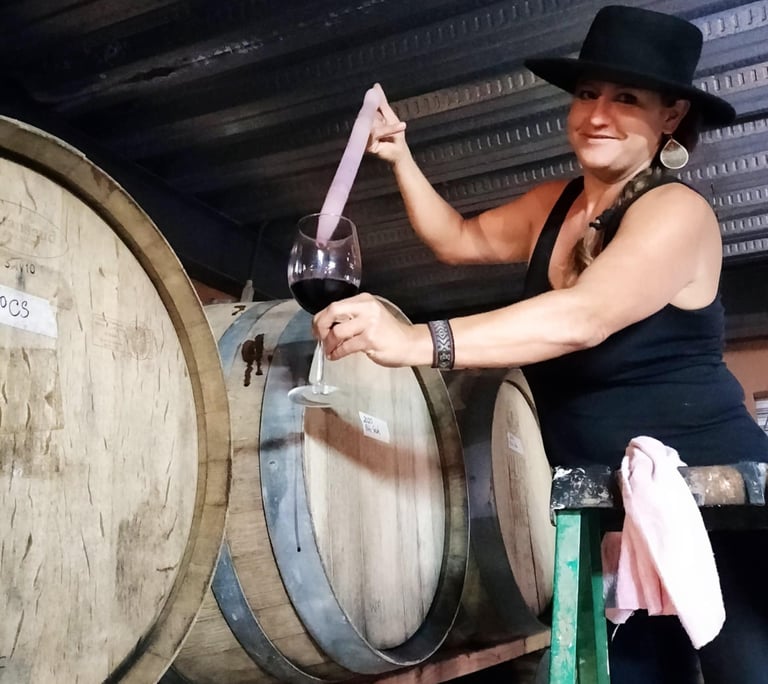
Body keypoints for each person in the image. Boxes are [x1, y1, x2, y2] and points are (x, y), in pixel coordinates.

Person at [313, 5, 768, 683]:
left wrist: (415, 340)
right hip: (608, 505)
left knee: (749, 673)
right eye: (587, 94)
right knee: (640, 676)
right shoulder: (553, 205)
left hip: (716, 500)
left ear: (670, 117)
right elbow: (456, 239)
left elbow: (582, 318)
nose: (598, 114)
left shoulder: (676, 211)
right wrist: (401, 157)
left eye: (627, 99)